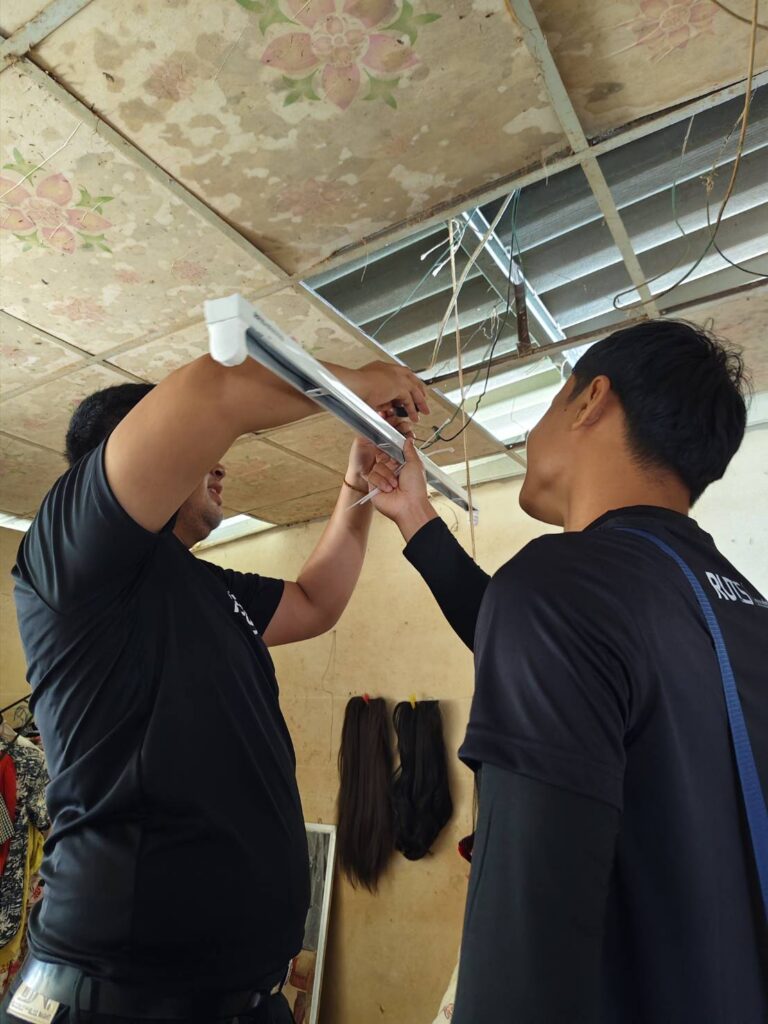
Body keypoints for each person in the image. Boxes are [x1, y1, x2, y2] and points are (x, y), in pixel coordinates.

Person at [6, 351, 429, 1023]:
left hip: (243, 997)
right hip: (119, 999)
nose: (220, 465)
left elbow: (316, 602)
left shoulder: (204, 585)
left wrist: (358, 482)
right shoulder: (75, 556)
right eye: (203, 455)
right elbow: (212, 391)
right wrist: (363, 383)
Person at [368, 320, 768, 1023]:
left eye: (551, 404)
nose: (532, 435)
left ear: (591, 401)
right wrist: (418, 521)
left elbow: (523, 964)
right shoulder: (739, 609)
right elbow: (583, 657)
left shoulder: (561, 589)